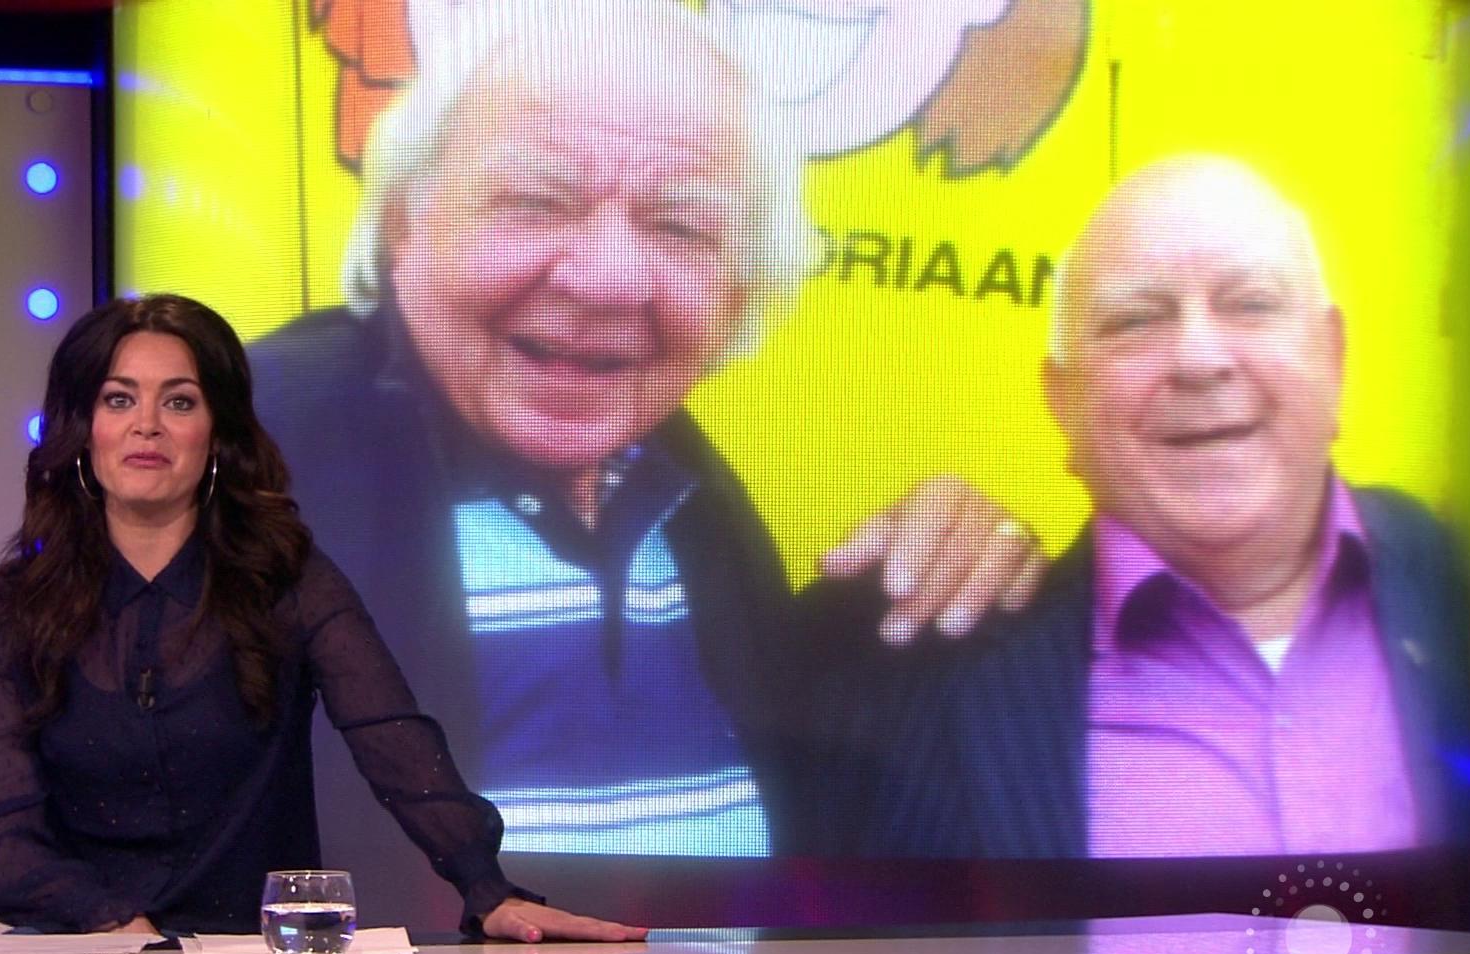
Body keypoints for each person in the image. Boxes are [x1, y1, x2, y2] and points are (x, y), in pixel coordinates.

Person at [250, 0, 1043, 861]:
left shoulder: (687, 502)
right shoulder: (248, 465)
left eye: (680, 225)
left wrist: (951, 572)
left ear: (742, 292)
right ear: (406, 221)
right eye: (537, 201)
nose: (607, 279)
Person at [825, 155, 1470, 858]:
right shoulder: (928, 677)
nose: (1199, 358)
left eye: (1252, 304)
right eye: (1134, 320)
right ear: (1064, 403)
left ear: (1334, 358)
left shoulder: (1455, 578)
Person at [0, 293, 644, 942]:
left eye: (180, 401)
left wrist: (486, 888)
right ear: (84, 428)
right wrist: (111, 923)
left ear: (217, 433)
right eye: (119, 399)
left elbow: (392, 739)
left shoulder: (289, 582)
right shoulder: (16, 609)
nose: (148, 425)